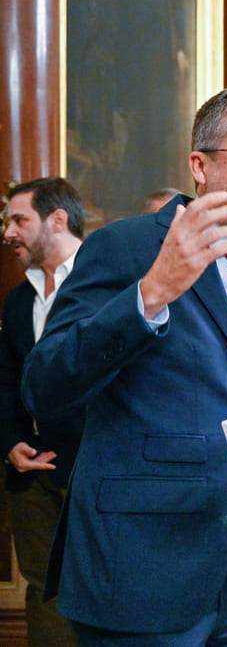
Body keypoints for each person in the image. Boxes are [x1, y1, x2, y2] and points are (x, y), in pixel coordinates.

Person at [21, 88, 227, 645]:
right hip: (139, 571)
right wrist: (151, 294)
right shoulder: (126, 247)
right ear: (200, 165)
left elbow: (206, 385)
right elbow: (45, 383)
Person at [0, 177, 85, 645]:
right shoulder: (18, 300)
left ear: (57, 219)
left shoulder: (105, 284)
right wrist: (11, 442)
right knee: (42, 592)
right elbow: (6, 381)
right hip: (31, 473)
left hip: (92, 470)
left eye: (19, 220)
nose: (9, 232)